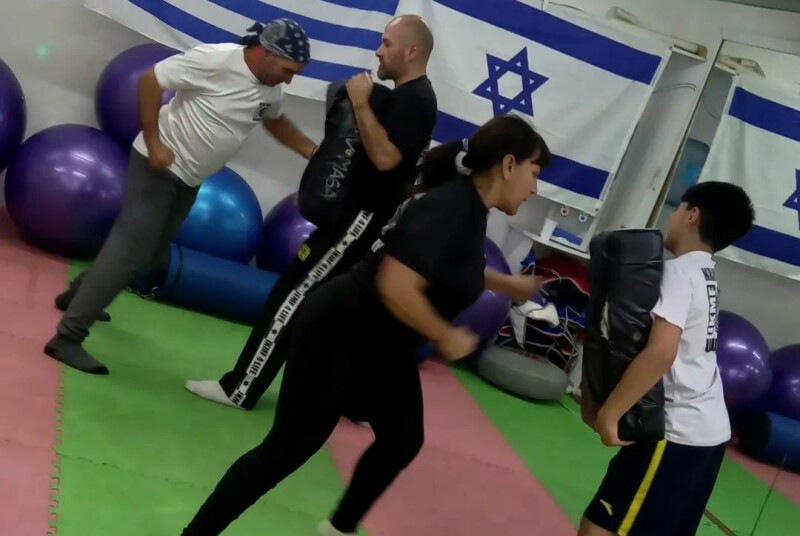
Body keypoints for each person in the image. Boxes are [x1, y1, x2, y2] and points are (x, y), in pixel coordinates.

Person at [179, 114, 551, 536]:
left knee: (402, 439)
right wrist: (444, 334)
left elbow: (453, 264)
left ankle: (339, 528)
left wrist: (507, 284)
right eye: (534, 173)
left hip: (382, 345)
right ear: (508, 165)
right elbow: (396, 284)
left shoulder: (471, 209)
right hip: (337, 333)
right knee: (286, 450)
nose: (535, 188)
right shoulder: (449, 207)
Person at [184, 14, 442, 410]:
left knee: (292, 295)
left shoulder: (415, 100)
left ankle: (241, 388)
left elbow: (386, 158)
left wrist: (360, 103)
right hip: (354, 217)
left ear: (412, 51)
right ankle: (357, 401)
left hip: (358, 223)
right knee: (332, 311)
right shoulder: (410, 98)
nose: (378, 51)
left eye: (387, 43)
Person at [44, 19, 318, 375]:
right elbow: (150, 81)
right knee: (132, 252)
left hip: (189, 179)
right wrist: (154, 141)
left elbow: (275, 120)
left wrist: (310, 149)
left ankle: (80, 294)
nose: (289, 80)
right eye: (287, 70)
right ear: (265, 52)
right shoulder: (216, 60)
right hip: (157, 167)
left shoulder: (270, 87)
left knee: (150, 253)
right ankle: (67, 337)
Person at [579, 181, 755, 536]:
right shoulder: (705, 273)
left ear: (692, 215)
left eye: (678, 208)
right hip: (709, 433)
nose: (672, 217)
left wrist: (610, 413)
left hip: (675, 433)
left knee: (599, 528)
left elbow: (661, 352)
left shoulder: (678, 272)